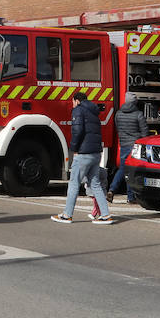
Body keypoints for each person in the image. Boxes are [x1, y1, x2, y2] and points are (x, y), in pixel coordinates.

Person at [51, 92, 113, 224]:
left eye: (72, 102)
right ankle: (106, 215)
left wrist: (74, 149)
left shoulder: (78, 110)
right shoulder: (94, 111)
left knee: (74, 183)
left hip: (83, 153)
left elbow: (77, 131)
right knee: (95, 184)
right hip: (96, 153)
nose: (72, 105)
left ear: (77, 101)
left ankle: (67, 215)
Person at [107, 92, 149, 203]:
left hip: (124, 145)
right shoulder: (138, 114)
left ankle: (112, 190)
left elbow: (118, 129)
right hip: (135, 146)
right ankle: (130, 197)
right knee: (131, 170)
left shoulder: (118, 114)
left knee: (123, 169)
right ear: (135, 102)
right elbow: (145, 133)